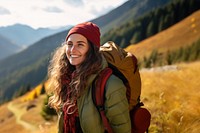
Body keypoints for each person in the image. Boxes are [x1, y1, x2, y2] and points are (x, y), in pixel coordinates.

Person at [47, 22, 131, 133]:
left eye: (80, 44)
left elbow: (122, 129)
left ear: (92, 49)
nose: (72, 50)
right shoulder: (67, 79)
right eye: (70, 44)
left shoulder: (110, 84)